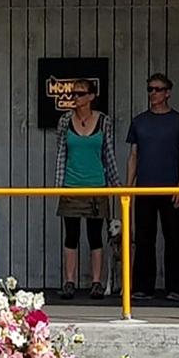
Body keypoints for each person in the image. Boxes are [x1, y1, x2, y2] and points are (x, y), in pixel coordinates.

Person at [126, 73, 179, 302]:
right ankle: (143, 287)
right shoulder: (139, 121)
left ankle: (175, 287)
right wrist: (129, 187)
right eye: (150, 89)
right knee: (144, 238)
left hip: (170, 187)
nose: (153, 93)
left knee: (174, 238)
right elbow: (133, 155)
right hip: (144, 188)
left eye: (157, 89)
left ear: (167, 93)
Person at [54, 79, 120, 300]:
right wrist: (58, 186)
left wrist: (117, 186)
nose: (76, 98)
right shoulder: (64, 121)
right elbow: (61, 155)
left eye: (80, 94)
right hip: (71, 185)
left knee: (95, 236)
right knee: (71, 235)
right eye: (73, 94)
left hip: (96, 185)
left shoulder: (103, 121)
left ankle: (96, 283)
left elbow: (108, 155)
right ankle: (69, 281)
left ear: (92, 96)